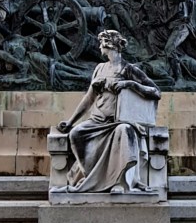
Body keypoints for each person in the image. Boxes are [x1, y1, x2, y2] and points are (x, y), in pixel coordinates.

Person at [56, 30, 161, 193]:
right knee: (76, 134)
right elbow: (89, 98)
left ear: (108, 44)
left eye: (101, 43)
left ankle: (120, 182)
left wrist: (131, 85)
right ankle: (90, 176)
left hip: (119, 120)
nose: (99, 47)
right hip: (97, 120)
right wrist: (70, 122)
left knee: (124, 131)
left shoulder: (129, 69)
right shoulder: (99, 68)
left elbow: (156, 92)